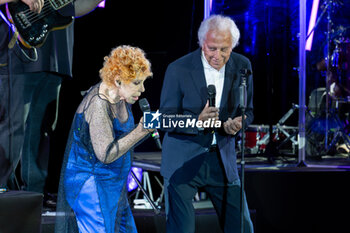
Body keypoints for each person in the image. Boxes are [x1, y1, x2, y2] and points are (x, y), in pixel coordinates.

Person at [159, 15, 254, 233]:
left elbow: (248, 111)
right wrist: (196, 121)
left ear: (233, 46)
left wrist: (239, 123)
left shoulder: (242, 66)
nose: (218, 56)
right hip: (183, 158)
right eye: (212, 48)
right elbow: (164, 118)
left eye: (224, 49)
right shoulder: (178, 69)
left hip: (222, 158)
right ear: (202, 43)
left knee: (242, 227)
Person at [0, 0, 103, 196]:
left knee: (43, 130)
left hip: (55, 56)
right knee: (13, 128)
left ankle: (34, 196)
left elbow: (76, 8)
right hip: (15, 51)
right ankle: (3, 192)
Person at [55, 45, 153, 233]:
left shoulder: (122, 96)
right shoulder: (99, 105)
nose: (142, 89)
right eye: (136, 83)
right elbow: (106, 154)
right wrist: (140, 131)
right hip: (92, 186)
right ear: (117, 80)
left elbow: (122, 141)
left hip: (113, 185)